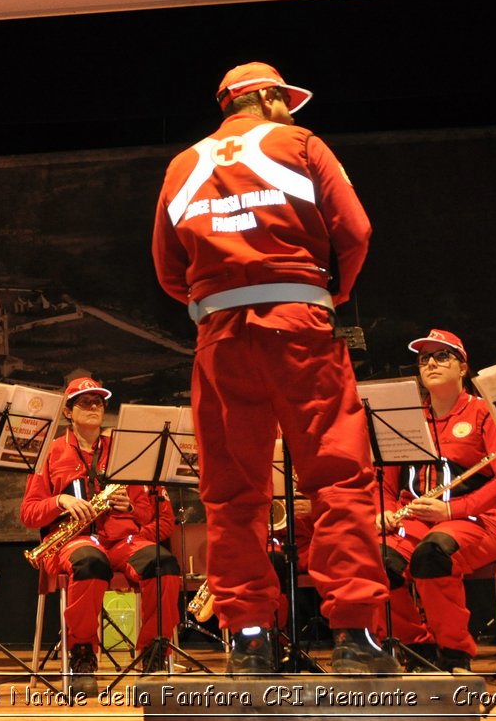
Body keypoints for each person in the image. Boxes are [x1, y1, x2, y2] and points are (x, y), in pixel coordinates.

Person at [151, 60, 394, 675]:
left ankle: (250, 640)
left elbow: (166, 267)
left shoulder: (183, 164)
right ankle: (355, 639)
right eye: (284, 98)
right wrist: (331, 293)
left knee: (231, 494)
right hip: (300, 327)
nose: (291, 107)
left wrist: (213, 298)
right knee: (338, 479)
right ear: (264, 97)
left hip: (220, 340)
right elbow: (357, 230)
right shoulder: (299, 143)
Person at [378, 328, 496, 673]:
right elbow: (385, 487)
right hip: (416, 520)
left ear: (463, 367)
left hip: (479, 521)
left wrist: (452, 509)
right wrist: (385, 513)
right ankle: (419, 648)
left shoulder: (483, 413)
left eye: (442, 355)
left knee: (432, 554)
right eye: (424, 358)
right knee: (375, 561)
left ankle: (453, 655)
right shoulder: (405, 419)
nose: (431, 362)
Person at [19, 377, 182, 691]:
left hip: (124, 541)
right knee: (90, 563)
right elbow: (29, 513)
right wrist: (59, 501)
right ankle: (82, 654)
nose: (94, 407)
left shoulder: (127, 451)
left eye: (99, 401)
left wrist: (132, 508)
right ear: (68, 412)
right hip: (74, 541)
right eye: (84, 401)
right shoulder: (51, 453)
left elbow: (153, 514)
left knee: (164, 565)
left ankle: (153, 654)